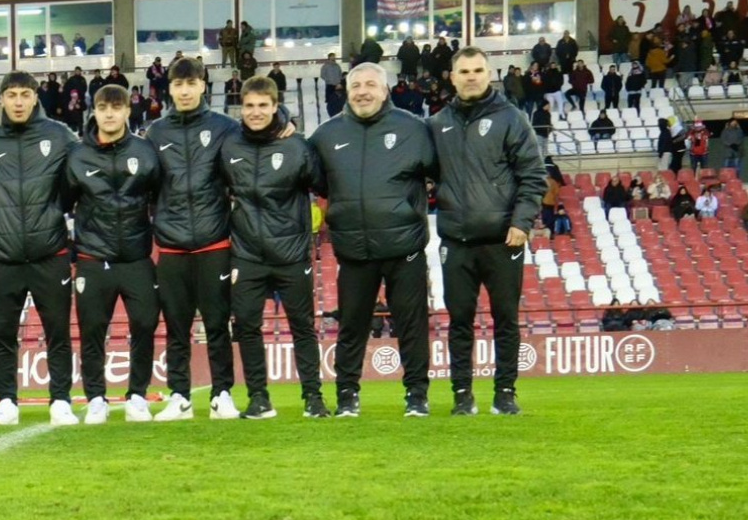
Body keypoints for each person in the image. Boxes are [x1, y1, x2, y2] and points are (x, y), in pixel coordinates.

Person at [309, 62, 435, 418]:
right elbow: (319, 183)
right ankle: (347, 396)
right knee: (351, 327)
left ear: (385, 90)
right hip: (354, 250)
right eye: (356, 86)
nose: (362, 91)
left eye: (370, 85)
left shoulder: (414, 129)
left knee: (412, 326)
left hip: (404, 247)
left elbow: (438, 173)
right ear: (346, 91)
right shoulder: (325, 135)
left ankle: (416, 396)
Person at [429, 48, 546, 416]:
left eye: (478, 70)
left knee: (506, 320)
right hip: (455, 240)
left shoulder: (511, 118)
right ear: (452, 77)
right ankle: (462, 395)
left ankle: (505, 394)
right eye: (464, 71)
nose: (471, 77)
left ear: (489, 74)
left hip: (502, 239)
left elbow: (534, 175)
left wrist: (521, 222)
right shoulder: (437, 124)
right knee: (459, 321)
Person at [208, 76, 325, 420]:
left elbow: (322, 186)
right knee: (246, 326)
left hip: (291, 253)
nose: (256, 112)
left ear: (276, 107)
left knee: (302, 326)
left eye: (263, 105)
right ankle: (259, 398)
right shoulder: (229, 147)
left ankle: (313, 398)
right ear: (240, 108)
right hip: (247, 254)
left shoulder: (297, 146)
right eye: (249, 106)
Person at [144, 57, 242, 422]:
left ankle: (222, 394)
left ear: (203, 85)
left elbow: (254, 149)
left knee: (217, 324)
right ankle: (179, 396)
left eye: (191, 83)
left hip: (214, 243)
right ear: (169, 88)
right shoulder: (155, 132)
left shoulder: (225, 127)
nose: (184, 91)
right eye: (178, 84)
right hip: (171, 246)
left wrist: (283, 121)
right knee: (176, 327)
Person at [0, 70, 80, 426]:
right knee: (2, 335)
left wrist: (54, 213)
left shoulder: (60, 135)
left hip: (48, 253)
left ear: (36, 97)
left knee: (57, 332)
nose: (19, 102)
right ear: (2, 99)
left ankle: (61, 401)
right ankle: (7, 401)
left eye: (25, 94)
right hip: (2, 255)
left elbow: (77, 180)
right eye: (12, 95)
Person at [66, 84, 163, 423]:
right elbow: (63, 201)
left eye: (116, 107)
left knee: (145, 324)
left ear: (127, 111)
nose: (109, 113)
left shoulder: (146, 151)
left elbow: (160, 196)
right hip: (93, 258)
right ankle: (96, 398)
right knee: (92, 330)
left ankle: (137, 396)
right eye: (103, 107)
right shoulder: (77, 155)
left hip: (136, 257)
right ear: (94, 111)